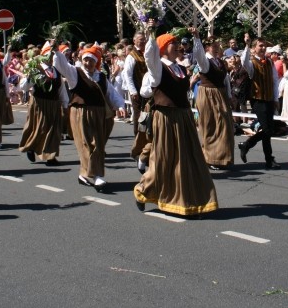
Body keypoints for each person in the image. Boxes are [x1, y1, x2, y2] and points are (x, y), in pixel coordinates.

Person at [133, 24, 218, 216]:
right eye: (173, 43)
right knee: (164, 159)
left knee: (188, 159)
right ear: (163, 48)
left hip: (184, 117)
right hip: (166, 118)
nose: (178, 46)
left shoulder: (180, 68)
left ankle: (185, 199)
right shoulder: (157, 69)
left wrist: (197, 38)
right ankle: (143, 190)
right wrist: (151, 34)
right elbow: (150, 56)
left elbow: (201, 60)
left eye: (178, 43)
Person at [54, 44, 125, 191]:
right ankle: (96, 175)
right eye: (85, 60)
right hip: (80, 112)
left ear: (96, 62)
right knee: (87, 143)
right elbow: (62, 66)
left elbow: (112, 94)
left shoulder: (101, 77)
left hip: (98, 114)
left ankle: (84, 174)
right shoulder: (75, 73)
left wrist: (120, 106)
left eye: (91, 60)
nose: (88, 63)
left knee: (97, 144)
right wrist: (56, 51)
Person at [191, 29, 235, 170]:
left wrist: (229, 95)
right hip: (208, 95)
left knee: (224, 126)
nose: (216, 47)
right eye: (213, 45)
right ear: (207, 48)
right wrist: (197, 38)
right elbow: (198, 55)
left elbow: (226, 80)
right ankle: (210, 158)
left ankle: (221, 157)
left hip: (220, 94)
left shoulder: (220, 62)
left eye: (217, 45)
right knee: (210, 126)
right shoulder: (205, 62)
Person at [18, 43, 68, 165]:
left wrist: (65, 104)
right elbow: (23, 87)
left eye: (52, 56)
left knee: (54, 131)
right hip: (39, 104)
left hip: (54, 104)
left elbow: (61, 89)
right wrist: (29, 76)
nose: (51, 59)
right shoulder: (36, 69)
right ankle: (31, 146)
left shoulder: (56, 71)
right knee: (40, 128)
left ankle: (50, 157)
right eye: (48, 56)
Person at [239, 33, 281, 169]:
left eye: (264, 46)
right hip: (257, 100)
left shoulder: (269, 62)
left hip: (268, 99)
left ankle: (269, 159)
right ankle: (247, 145)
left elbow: (275, 80)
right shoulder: (252, 62)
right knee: (268, 129)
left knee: (268, 130)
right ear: (254, 48)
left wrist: (275, 98)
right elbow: (243, 62)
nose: (263, 48)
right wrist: (246, 44)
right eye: (260, 46)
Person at [123, 32, 150, 169]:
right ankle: (137, 149)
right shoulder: (131, 56)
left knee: (148, 119)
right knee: (140, 119)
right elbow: (127, 75)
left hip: (148, 92)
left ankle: (146, 146)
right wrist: (133, 91)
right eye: (140, 40)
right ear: (134, 41)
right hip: (138, 93)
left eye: (144, 40)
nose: (142, 41)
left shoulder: (147, 53)